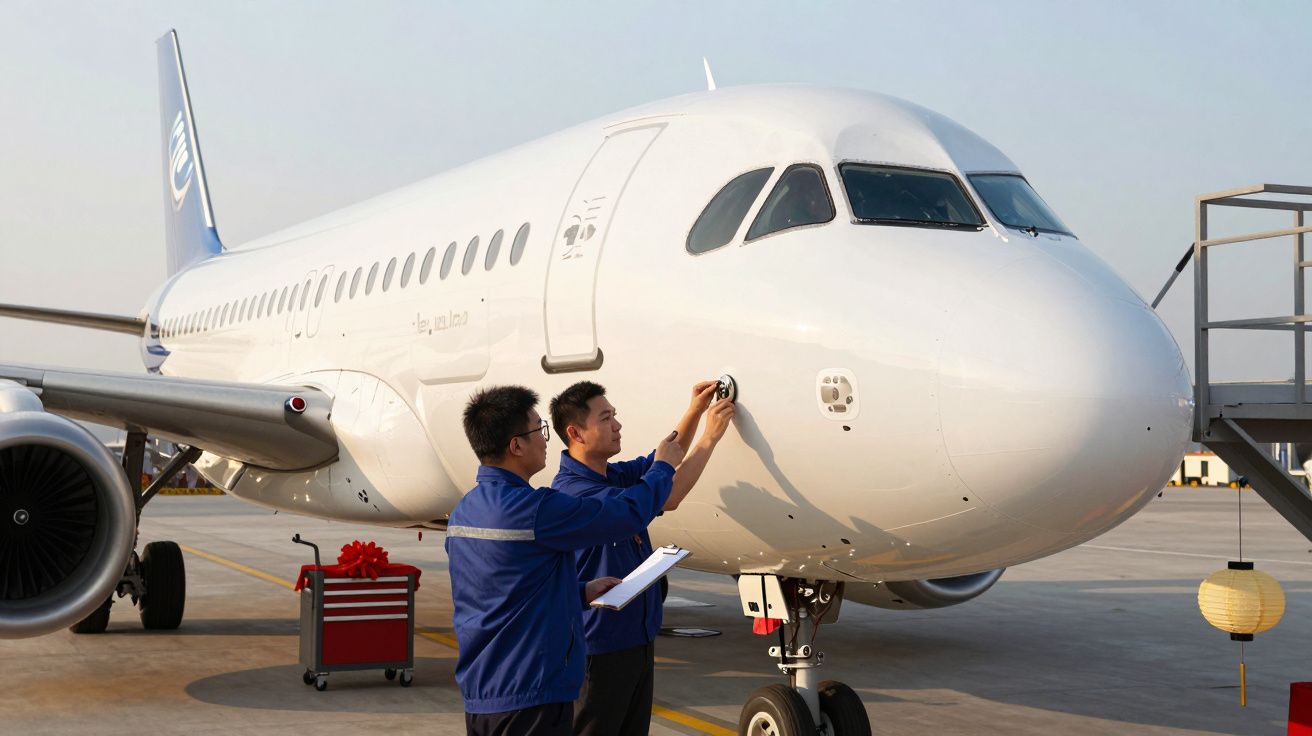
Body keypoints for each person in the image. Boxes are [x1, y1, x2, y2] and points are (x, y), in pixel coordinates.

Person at [446, 385, 686, 736]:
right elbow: (624, 514)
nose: (546, 440)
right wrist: (662, 467)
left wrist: (579, 591)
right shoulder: (535, 509)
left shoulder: (464, 512)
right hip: (532, 694)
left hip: (484, 693)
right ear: (516, 446)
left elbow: (501, 591)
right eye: (539, 430)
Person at [549, 380, 737, 736]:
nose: (617, 425)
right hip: (598, 651)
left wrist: (695, 410)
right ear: (575, 433)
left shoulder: (611, 476)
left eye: (614, 415)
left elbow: (663, 458)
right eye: (605, 419)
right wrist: (710, 438)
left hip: (635, 642)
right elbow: (667, 495)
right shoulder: (578, 494)